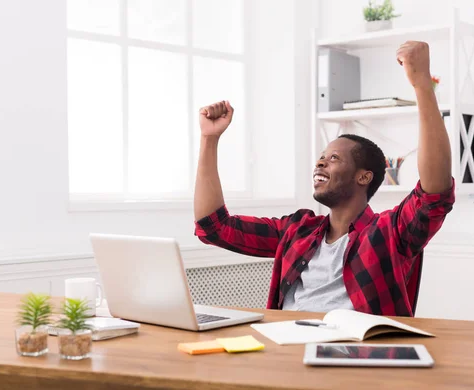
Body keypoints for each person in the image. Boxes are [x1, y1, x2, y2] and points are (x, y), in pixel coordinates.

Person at [193, 41, 455, 316]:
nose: (320, 161)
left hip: (358, 352)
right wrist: (209, 140)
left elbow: (434, 195)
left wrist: (422, 84)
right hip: (289, 344)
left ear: (364, 177)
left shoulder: (390, 231)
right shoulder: (297, 231)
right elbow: (214, 227)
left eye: (334, 158)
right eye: (321, 156)